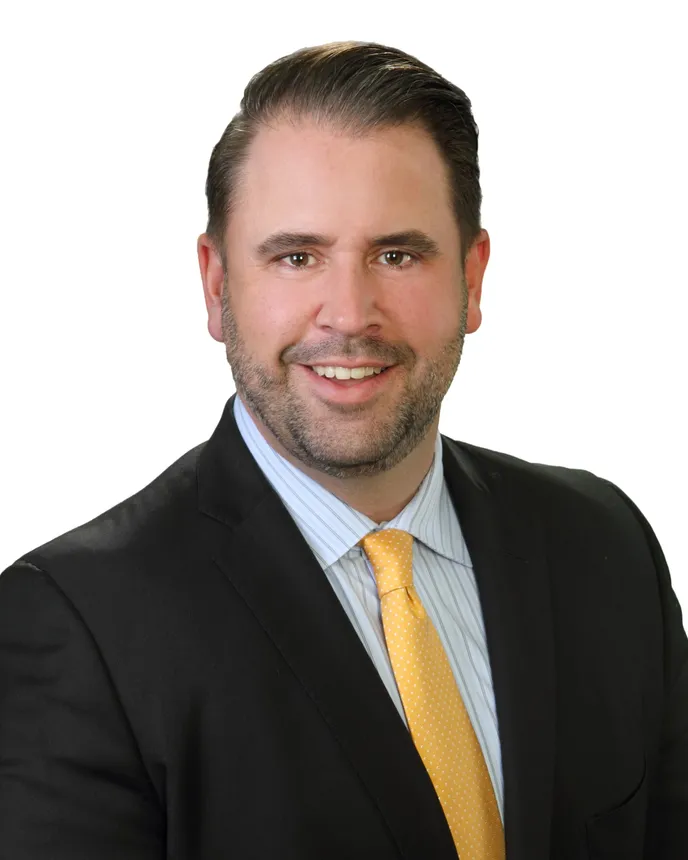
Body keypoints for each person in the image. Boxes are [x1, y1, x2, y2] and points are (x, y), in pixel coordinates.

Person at [0, 39, 686, 860]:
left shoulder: (603, 546)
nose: (350, 313)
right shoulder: (75, 623)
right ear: (217, 287)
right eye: (298, 256)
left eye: (397, 255)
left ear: (473, 278)